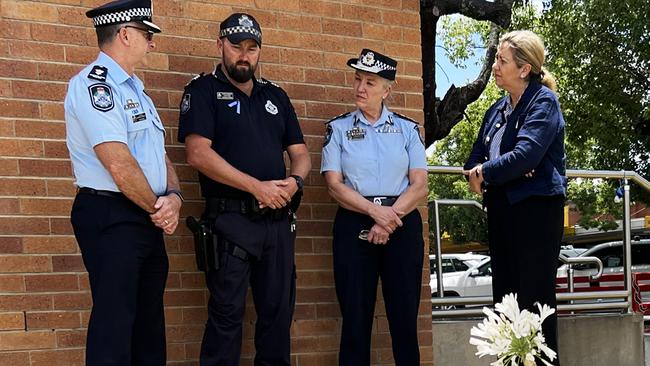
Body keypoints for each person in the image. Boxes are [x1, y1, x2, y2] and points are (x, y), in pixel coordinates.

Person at [177, 13, 311, 366]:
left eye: (252, 48)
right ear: (220, 44)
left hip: (278, 225)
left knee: (277, 320)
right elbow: (197, 153)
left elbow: (300, 154)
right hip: (230, 224)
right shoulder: (202, 90)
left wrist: (294, 182)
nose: (244, 55)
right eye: (237, 46)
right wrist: (257, 188)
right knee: (226, 321)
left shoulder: (276, 96)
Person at [64, 0, 182, 365]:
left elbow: (158, 158)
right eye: (147, 34)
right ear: (126, 34)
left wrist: (174, 196)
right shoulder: (94, 87)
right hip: (113, 214)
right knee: (115, 329)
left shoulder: (137, 93)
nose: (152, 43)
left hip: (146, 215)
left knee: (149, 330)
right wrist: (159, 209)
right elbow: (118, 162)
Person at [464, 30, 567, 365]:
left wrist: (491, 171)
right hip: (502, 210)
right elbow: (474, 160)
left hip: (536, 213)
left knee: (534, 303)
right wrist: (493, 170)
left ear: (524, 69)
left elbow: (526, 156)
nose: (494, 65)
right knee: (505, 302)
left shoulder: (543, 102)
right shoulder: (495, 110)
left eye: (501, 60)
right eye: (496, 59)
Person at [321, 49, 428, 365]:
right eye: (357, 79)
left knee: (405, 321)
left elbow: (419, 184)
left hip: (402, 223)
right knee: (355, 321)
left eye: (370, 82)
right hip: (355, 223)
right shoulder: (338, 129)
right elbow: (334, 185)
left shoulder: (408, 129)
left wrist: (388, 218)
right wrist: (374, 213)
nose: (360, 87)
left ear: (387, 90)